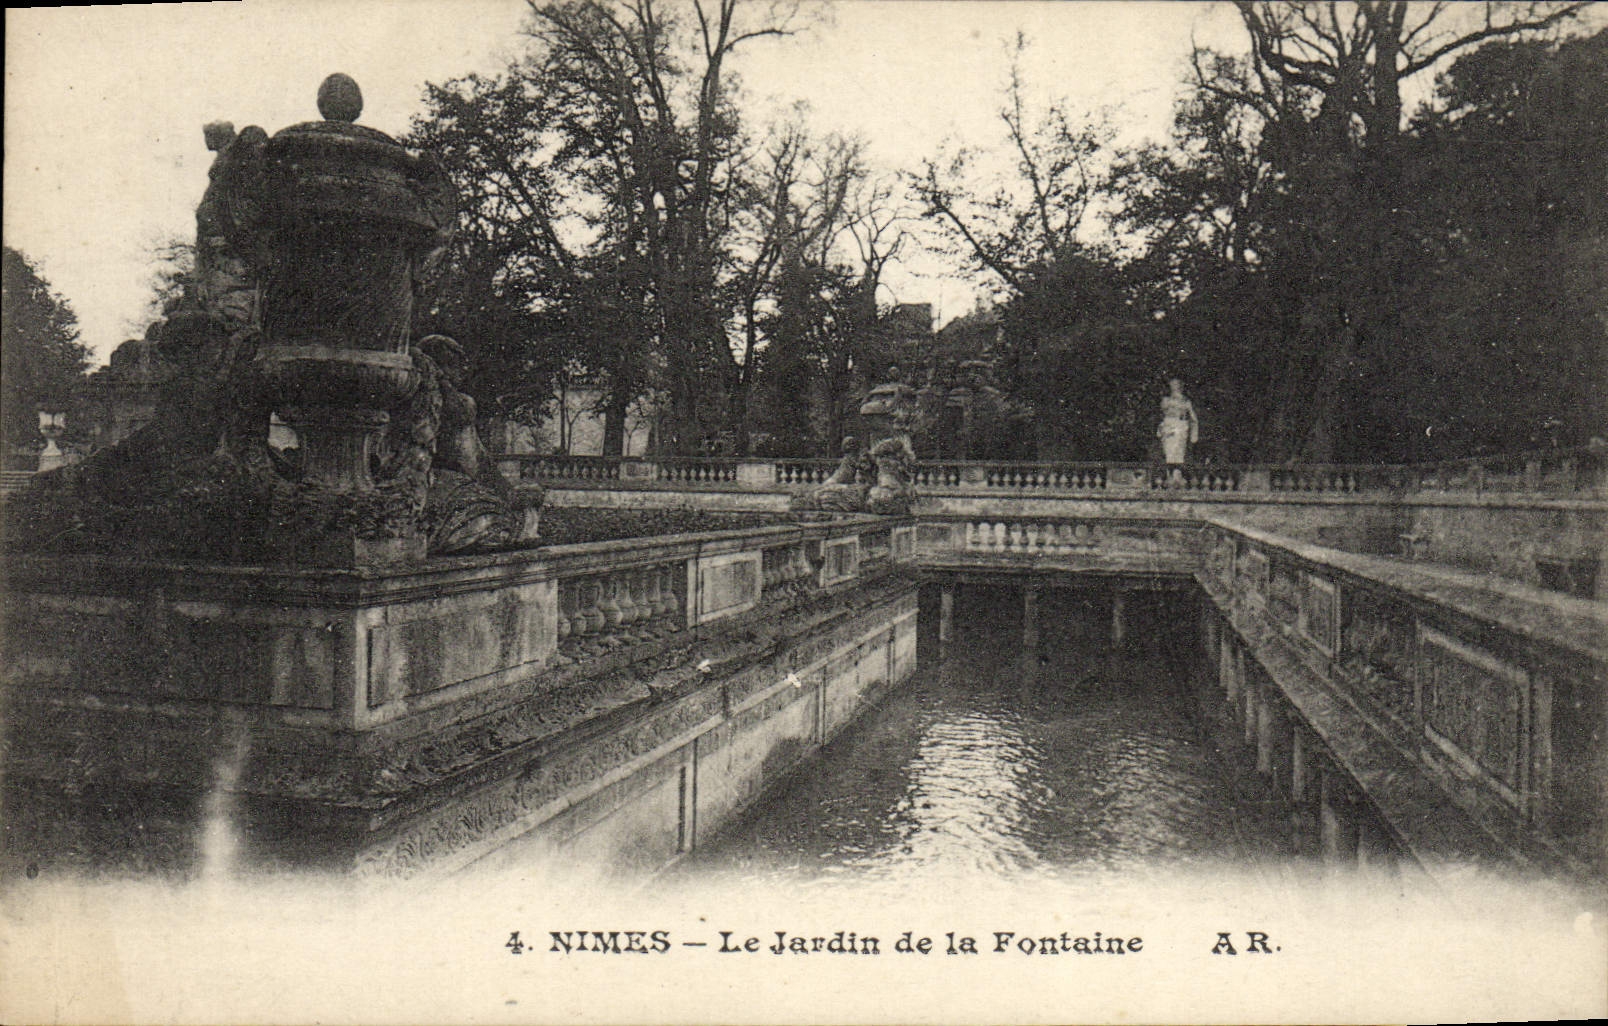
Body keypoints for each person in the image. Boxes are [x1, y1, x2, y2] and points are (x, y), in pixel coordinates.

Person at [1156, 378, 1198, 466]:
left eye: (1176, 384)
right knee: (1168, 451)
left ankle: (1177, 471)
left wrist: (1194, 433)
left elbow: (1193, 418)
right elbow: (1161, 415)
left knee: (1179, 451)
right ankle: (1170, 471)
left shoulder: (1186, 401)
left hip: (1180, 426)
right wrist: (1159, 428)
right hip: (1168, 426)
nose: (1174, 386)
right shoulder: (1166, 400)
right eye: (1172, 384)